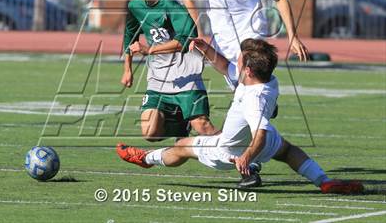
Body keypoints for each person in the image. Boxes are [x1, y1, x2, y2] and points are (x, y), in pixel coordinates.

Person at [116, 39, 363, 195]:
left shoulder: (253, 98)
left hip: (229, 150)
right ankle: (324, 181)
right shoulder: (267, 79)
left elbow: (261, 133)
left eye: (241, 59)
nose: (237, 60)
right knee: (288, 151)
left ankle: (147, 158)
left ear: (248, 70)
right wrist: (206, 50)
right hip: (258, 141)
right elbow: (226, 68)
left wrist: (246, 157)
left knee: (181, 147)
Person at [121, 0, 218, 142]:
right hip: (157, 80)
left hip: (186, 78)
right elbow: (129, 38)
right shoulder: (135, 6)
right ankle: (182, 125)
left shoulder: (172, 6)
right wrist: (127, 69)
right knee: (150, 132)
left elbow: (187, 39)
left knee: (203, 127)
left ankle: (240, 155)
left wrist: (150, 50)